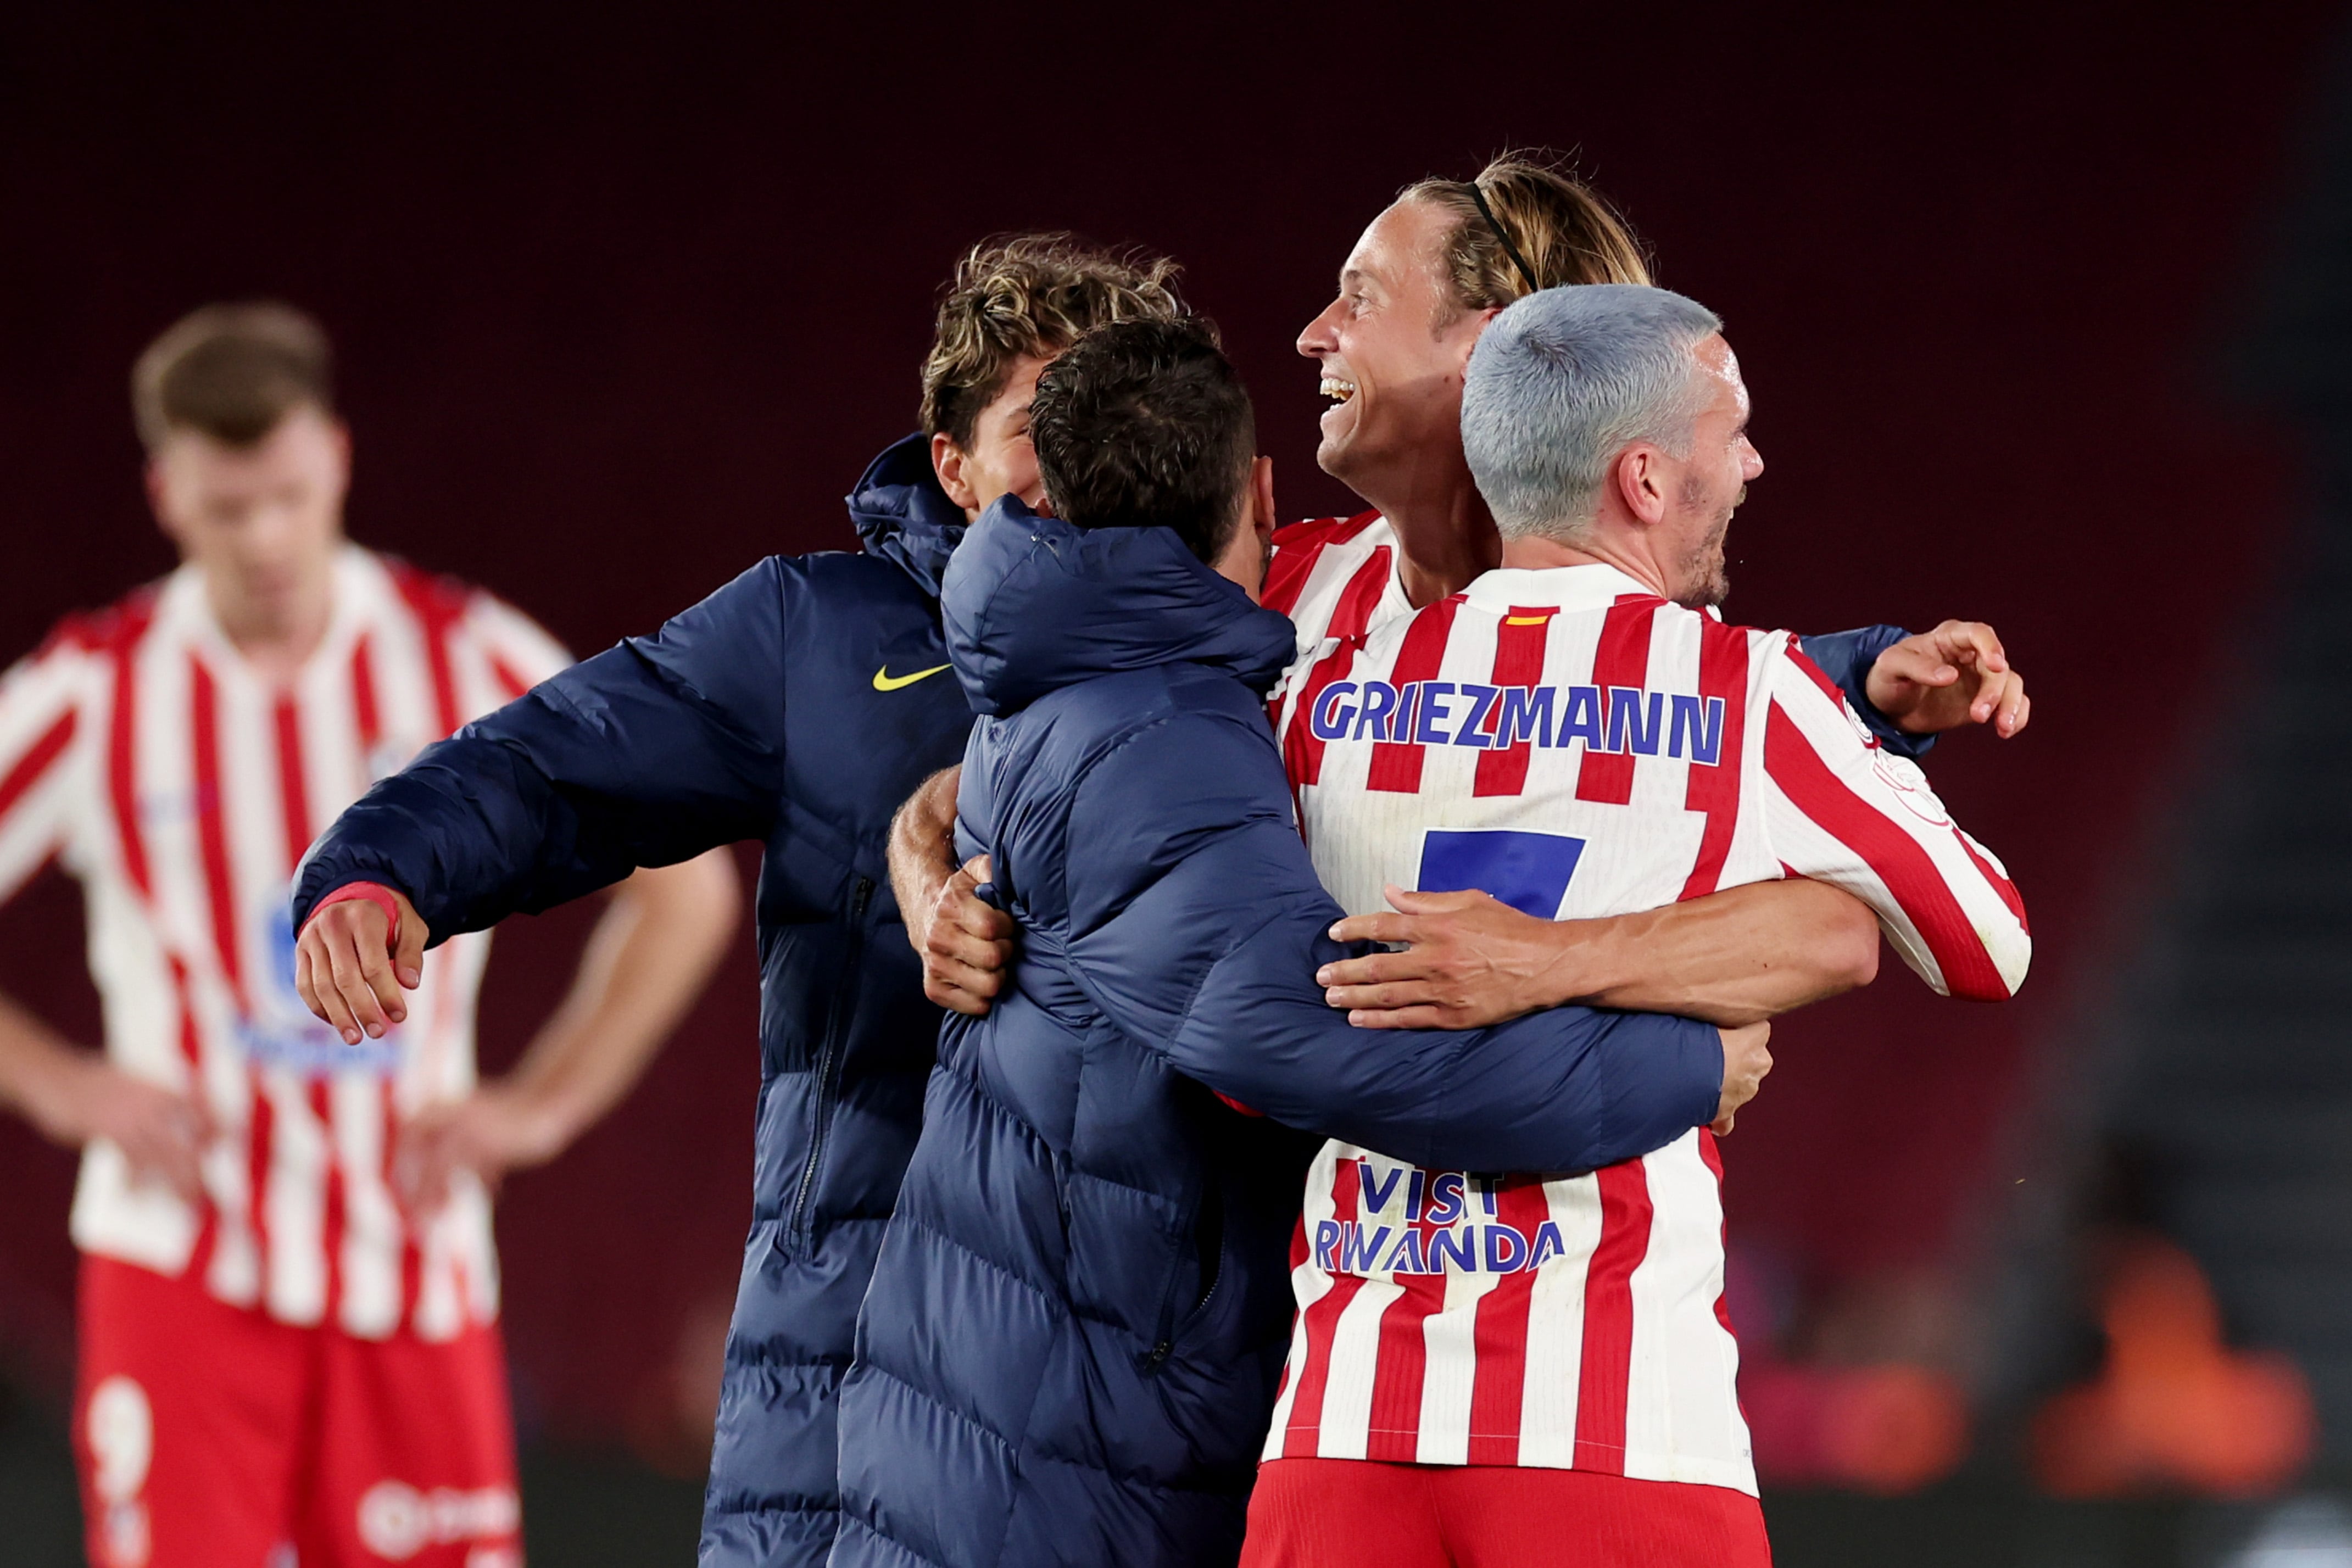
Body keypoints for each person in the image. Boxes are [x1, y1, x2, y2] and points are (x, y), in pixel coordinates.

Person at [288, 237, 1188, 1568]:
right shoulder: (812, 638)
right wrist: (384, 865)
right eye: (1032, 426)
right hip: (847, 1382)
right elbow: (555, 763)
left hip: (1130, 1396)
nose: (1078, 456)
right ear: (950, 463)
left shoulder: (1253, 642)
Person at [829, 315, 1763, 1568]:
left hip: (1050, 1401)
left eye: (1360, 293)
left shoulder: (1114, 681)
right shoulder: (1162, 735)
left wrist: (1856, 682)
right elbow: (1334, 1048)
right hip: (1057, 1440)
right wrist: (1683, 1070)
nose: (1322, 327)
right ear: (1265, 498)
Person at [1239, 284, 2032, 1567]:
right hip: (1615, 1442)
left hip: (1335, 1431)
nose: (1755, 459)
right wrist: (1633, 960)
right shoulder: (1744, 693)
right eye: (1734, 428)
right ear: (1647, 480)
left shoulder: (1322, 693)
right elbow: (1984, 945)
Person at [907, 155, 2025, 1037]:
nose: (1309, 337)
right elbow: (1035, 766)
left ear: (1491, 350)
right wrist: (926, 877)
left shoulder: (1668, 674)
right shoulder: (1276, 584)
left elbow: (1838, 930)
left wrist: (1580, 983)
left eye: (1357, 299)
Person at [0, 303, 738, 1568]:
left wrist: (541, 1108)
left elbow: (689, 887)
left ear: (336, 457)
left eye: (288, 495)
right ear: (167, 493)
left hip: (414, 1270)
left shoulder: (464, 665)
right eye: (230, 508)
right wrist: (63, 1087)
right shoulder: (99, 688)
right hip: (180, 1269)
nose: (267, 538)